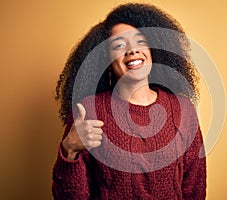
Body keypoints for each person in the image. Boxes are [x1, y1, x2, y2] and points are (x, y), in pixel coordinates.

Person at [52, 3, 206, 200]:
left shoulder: (183, 110)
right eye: (119, 45)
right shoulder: (88, 111)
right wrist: (69, 149)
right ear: (106, 60)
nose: (132, 50)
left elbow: (195, 190)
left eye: (140, 41)